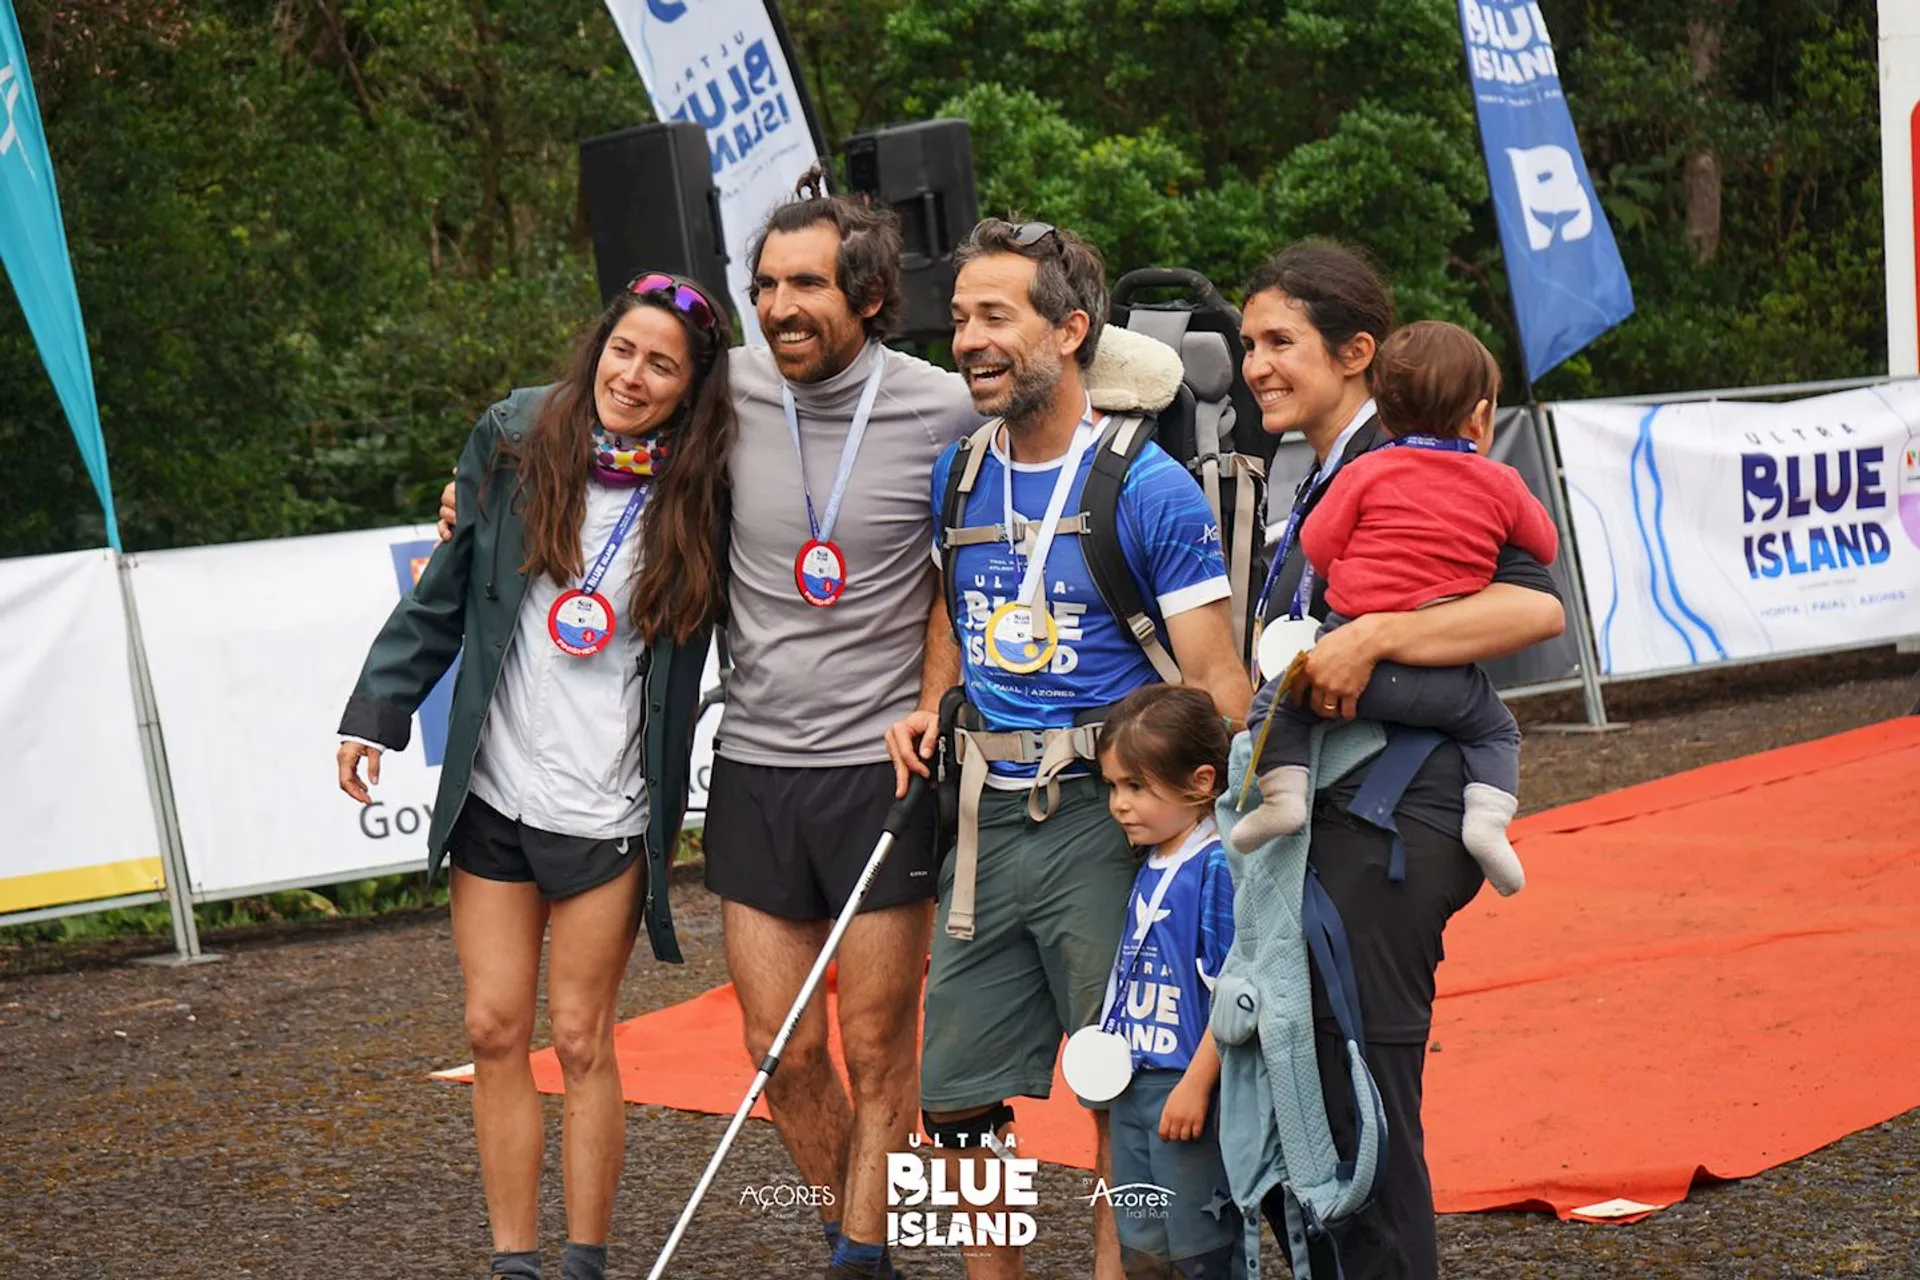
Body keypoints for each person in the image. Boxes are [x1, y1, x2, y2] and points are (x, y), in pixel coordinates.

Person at [432, 176, 1188, 1280]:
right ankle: (863, 1232)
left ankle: (873, 1255)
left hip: (884, 774)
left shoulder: (940, 401)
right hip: (753, 767)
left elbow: (1061, 396)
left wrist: (933, 693)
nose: (779, 306)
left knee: (890, 1052)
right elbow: (585, 410)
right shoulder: (723, 389)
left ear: (872, 297)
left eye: (806, 286)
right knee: (777, 1054)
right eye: (766, 286)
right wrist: (471, 493)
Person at [336, 273, 734, 1280]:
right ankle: (516, 1258)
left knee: (582, 1033)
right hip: (497, 789)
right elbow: (448, 584)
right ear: (597, 346)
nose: (633, 377)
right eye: (623, 351)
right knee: (492, 1024)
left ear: (691, 389)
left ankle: (585, 1257)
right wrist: (377, 712)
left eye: (661, 366)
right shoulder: (519, 437)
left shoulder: (711, 488)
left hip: (606, 803)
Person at [885, 219, 1251, 1280]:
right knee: (951, 1098)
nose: (967, 340)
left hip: (1107, 816)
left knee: (1123, 1081)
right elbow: (956, 606)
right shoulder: (958, 472)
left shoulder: (1146, 485)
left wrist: (1210, 830)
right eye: (958, 318)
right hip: (983, 818)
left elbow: (1216, 679)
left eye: (995, 316)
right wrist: (932, 700)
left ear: (1072, 329)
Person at [1237, 242, 1565, 1279]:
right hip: (1330, 811)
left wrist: (1372, 636)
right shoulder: (1323, 468)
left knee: (1361, 1101)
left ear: (1358, 352)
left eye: (1280, 341)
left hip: (1393, 809)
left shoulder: (1424, 449)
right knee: (1313, 1094)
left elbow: (1537, 605)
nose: (1255, 365)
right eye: (1247, 343)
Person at [1230, 320, 1558, 896]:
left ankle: (1282, 798)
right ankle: (1487, 823)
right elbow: (1544, 544)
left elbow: (1320, 544)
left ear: (1384, 412)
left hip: (1346, 664)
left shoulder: (1363, 470)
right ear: (1480, 418)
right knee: (1497, 732)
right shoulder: (1500, 481)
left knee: (1274, 707)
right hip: (1448, 679)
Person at [1092, 685, 1247, 1280]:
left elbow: (1233, 989)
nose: (1118, 805)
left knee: (1198, 1246)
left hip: (1184, 1088)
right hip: (1133, 1085)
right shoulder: (1152, 859)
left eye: (1136, 787)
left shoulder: (1213, 868)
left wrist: (1196, 1084)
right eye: (1113, 787)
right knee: (1144, 1246)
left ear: (1202, 782)